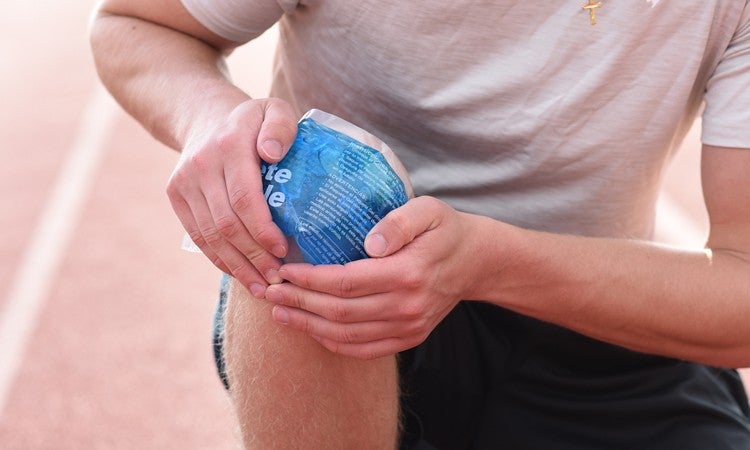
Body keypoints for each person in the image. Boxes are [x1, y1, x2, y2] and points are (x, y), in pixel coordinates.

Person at [89, 1, 750, 448]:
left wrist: (485, 261)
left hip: (592, 316)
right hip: (343, 315)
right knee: (306, 220)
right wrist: (210, 119)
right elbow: (133, 20)